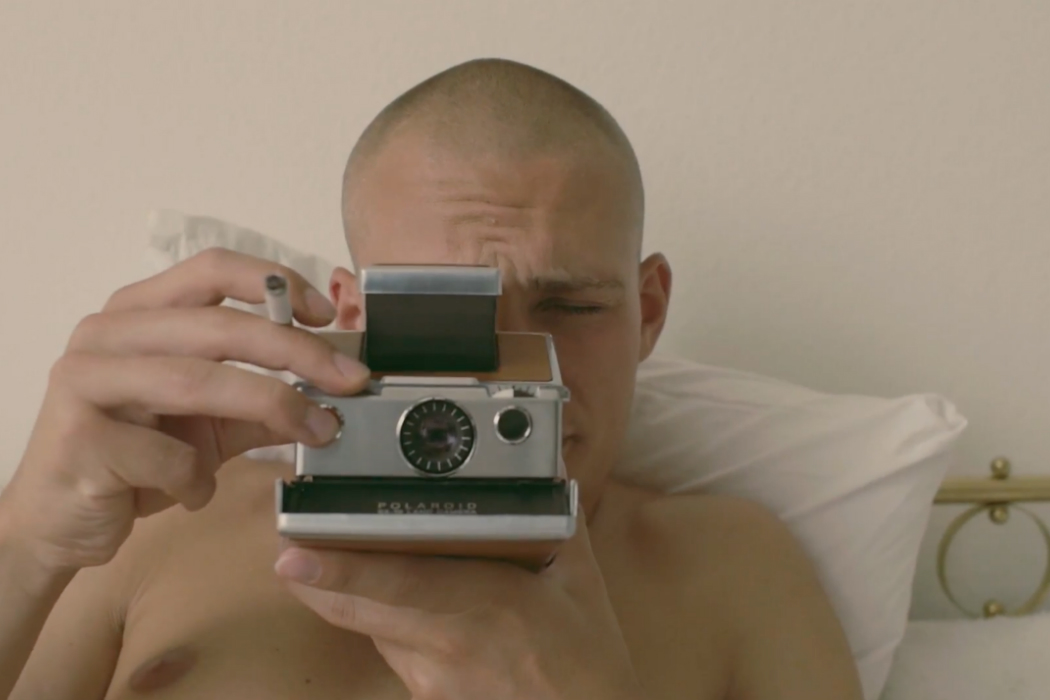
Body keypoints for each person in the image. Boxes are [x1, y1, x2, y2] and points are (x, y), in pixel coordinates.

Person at [0, 58, 864, 700]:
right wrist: (24, 545)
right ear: (354, 314)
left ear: (647, 313)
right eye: (442, 311)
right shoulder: (162, 523)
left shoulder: (731, 572)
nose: (500, 369)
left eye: (570, 306)